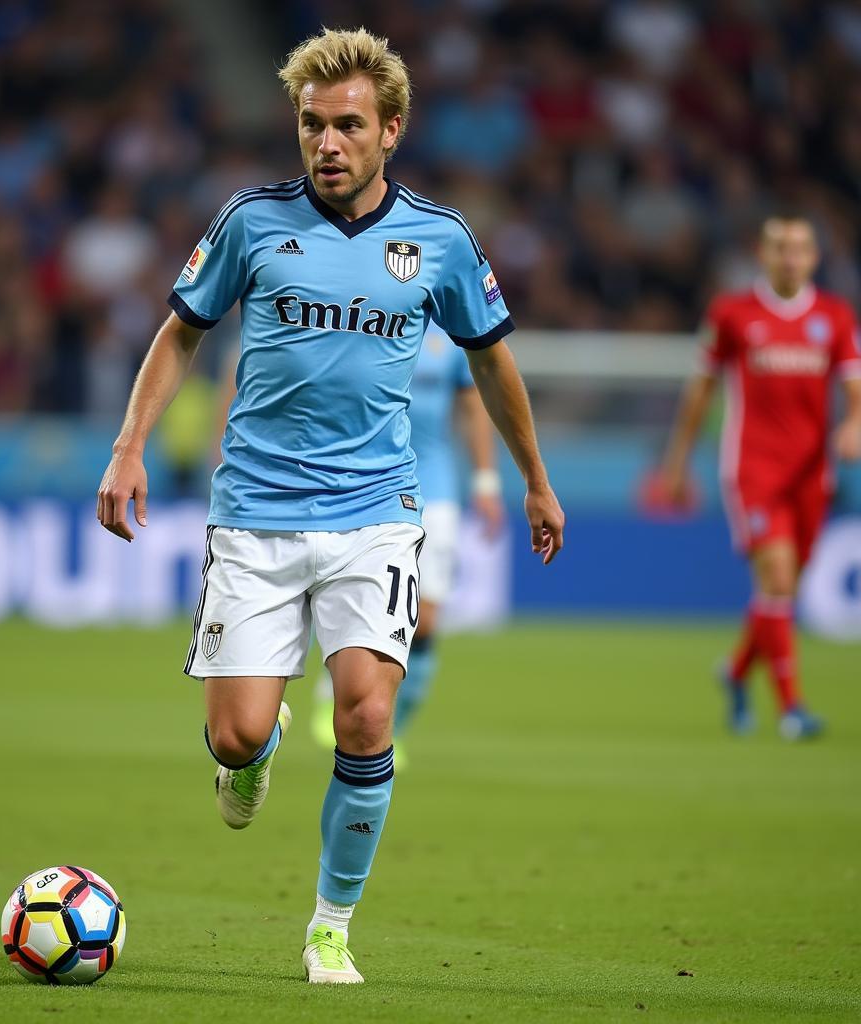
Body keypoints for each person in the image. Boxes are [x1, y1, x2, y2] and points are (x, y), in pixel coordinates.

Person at [96, 27, 564, 984]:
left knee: (363, 716)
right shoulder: (250, 223)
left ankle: (329, 925)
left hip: (376, 512)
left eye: (349, 125)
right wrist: (129, 445)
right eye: (313, 124)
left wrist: (531, 478)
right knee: (237, 734)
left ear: (391, 129)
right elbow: (181, 334)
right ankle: (249, 757)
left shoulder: (437, 241)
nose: (327, 143)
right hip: (256, 514)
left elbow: (490, 360)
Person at [660, 214, 861, 739]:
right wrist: (677, 461)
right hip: (752, 468)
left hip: (812, 473)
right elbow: (701, 389)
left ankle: (735, 670)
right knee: (775, 577)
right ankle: (793, 709)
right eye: (780, 248)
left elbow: (854, 387)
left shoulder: (835, 317)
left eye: (800, 249)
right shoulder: (733, 314)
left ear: (815, 257)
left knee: (783, 590)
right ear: (763, 255)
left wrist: (855, 426)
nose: (790, 258)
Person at [311, 323, 505, 762]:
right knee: (359, 601)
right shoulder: (370, 313)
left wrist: (486, 480)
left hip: (434, 489)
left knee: (427, 622)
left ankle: (387, 728)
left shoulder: (451, 333)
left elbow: (473, 402)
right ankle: (333, 696)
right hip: (369, 489)